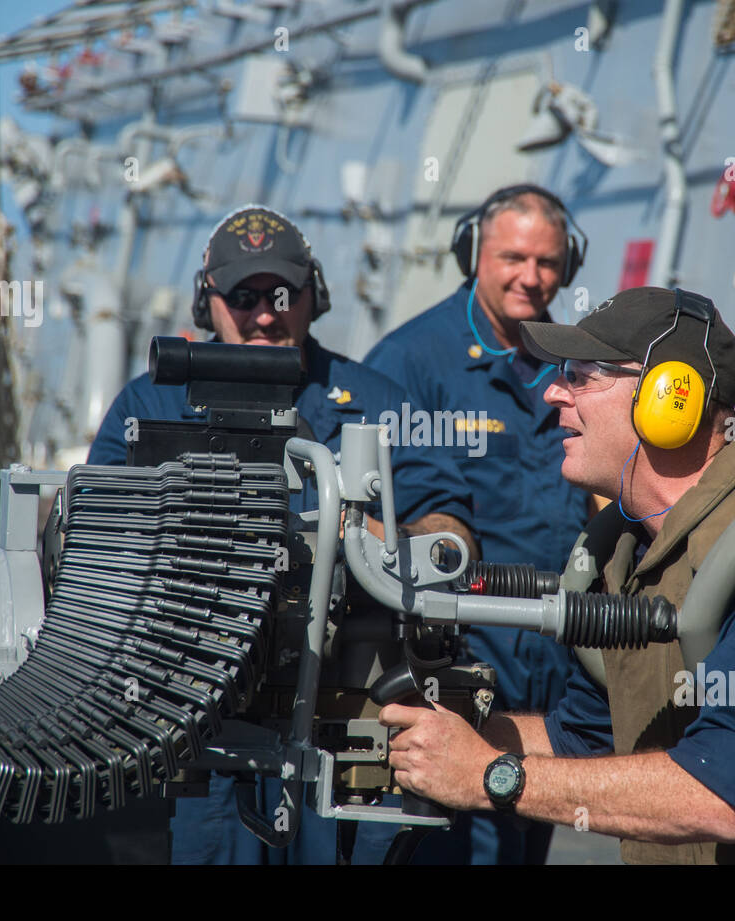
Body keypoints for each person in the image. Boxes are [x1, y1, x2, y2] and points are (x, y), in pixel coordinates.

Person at [378, 286, 735, 863]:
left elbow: (724, 792)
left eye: (580, 376)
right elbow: (586, 737)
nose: (552, 392)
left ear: (668, 399)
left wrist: (491, 777)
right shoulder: (634, 549)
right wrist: (442, 738)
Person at [89, 204, 477, 864]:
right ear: (205, 301)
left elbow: (452, 531)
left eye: (280, 294)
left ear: (313, 297)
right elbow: (97, 541)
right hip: (201, 733)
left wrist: (386, 538)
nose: (265, 314)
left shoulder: (376, 402)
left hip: (347, 731)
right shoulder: (149, 403)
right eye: (242, 297)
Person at [362, 184, 591, 864]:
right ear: (473, 255)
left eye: (548, 263)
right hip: (463, 657)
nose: (531, 277)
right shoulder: (408, 364)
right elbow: (372, 516)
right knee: (465, 841)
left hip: (555, 648)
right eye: (513, 257)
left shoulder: (575, 360)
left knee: (528, 833)